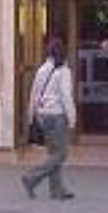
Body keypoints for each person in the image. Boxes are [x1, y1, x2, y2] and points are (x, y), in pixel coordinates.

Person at [21, 39, 77, 201]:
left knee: (53, 153)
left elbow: (34, 94)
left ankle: (57, 190)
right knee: (60, 154)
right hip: (58, 116)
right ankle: (31, 178)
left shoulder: (42, 69)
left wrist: (31, 115)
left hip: (43, 115)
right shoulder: (64, 71)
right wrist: (72, 118)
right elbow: (66, 97)